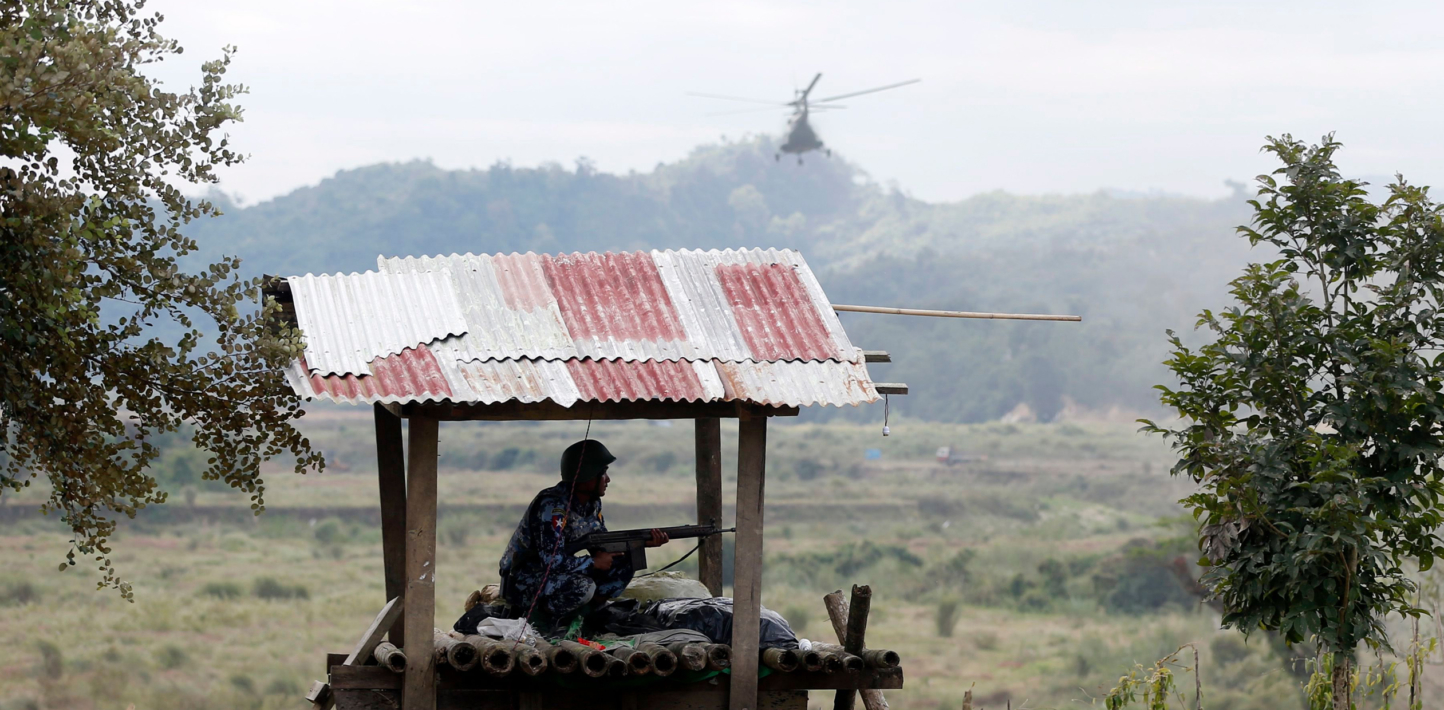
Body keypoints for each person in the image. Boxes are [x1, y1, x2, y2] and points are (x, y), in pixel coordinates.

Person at [498, 439, 669, 622]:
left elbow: (601, 542)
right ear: (586, 476)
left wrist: (642, 543)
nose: (608, 480)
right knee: (583, 586)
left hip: (557, 574)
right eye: (603, 473)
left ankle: (591, 612)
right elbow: (551, 562)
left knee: (626, 560)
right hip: (526, 579)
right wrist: (592, 563)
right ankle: (544, 621)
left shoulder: (592, 503)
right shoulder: (552, 507)